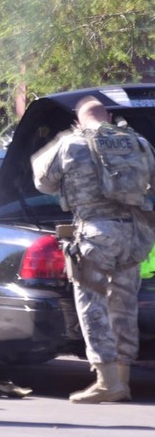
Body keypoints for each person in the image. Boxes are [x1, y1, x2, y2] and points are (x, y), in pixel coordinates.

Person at [31, 95, 155, 404]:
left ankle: (106, 381)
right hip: (135, 234)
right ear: (110, 119)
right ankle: (123, 379)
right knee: (124, 306)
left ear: (77, 121)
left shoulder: (72, 144)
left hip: (95, 234)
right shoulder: (138, 143)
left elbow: (42, 182)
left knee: (93, 307)